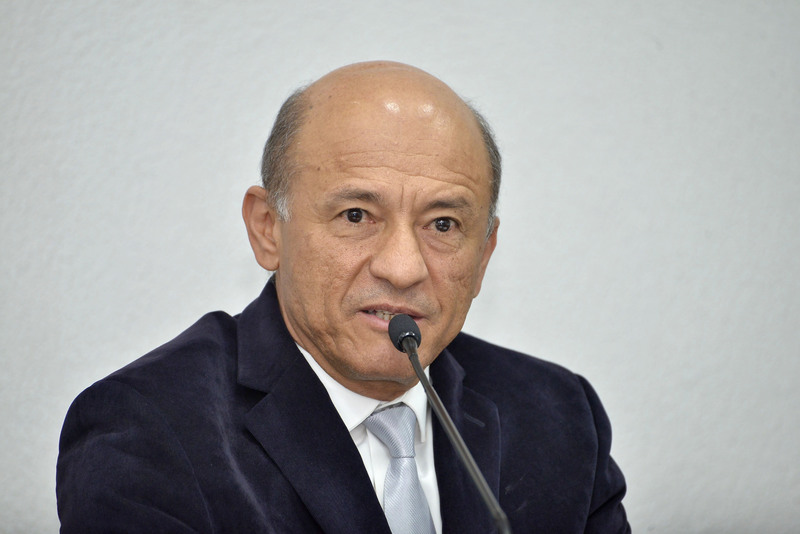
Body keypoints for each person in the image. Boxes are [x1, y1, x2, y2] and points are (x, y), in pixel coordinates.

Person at [57, 61, 630, 533]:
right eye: (356, 215)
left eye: (444, 225)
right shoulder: (147, 431)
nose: (403, 269)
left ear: (483, 256)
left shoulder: (559, 416)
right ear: (267, 229)